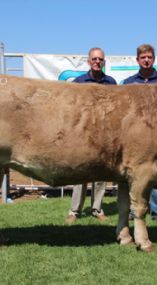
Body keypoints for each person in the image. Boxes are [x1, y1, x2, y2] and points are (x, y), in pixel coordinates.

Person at [65, 47, 117, 224]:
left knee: (101, 174)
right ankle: (74, 211)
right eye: (94, 59)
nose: (97, 62)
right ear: (89, 61)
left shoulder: (111, 83)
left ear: (104, 62)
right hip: (83, 135)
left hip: (104, 136)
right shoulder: (79, 82)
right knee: (81, 173)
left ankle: (97, 208)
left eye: (100, 59)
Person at [123, 44, 157, 224]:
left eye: (149, 57)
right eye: (143, 57)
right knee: (130, 174)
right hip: (133, 137)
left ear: (154, 59)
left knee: (155, 172)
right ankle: (131, 210)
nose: (146, 60)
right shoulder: (128, 83)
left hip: (156, 135)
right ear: (137, 60)